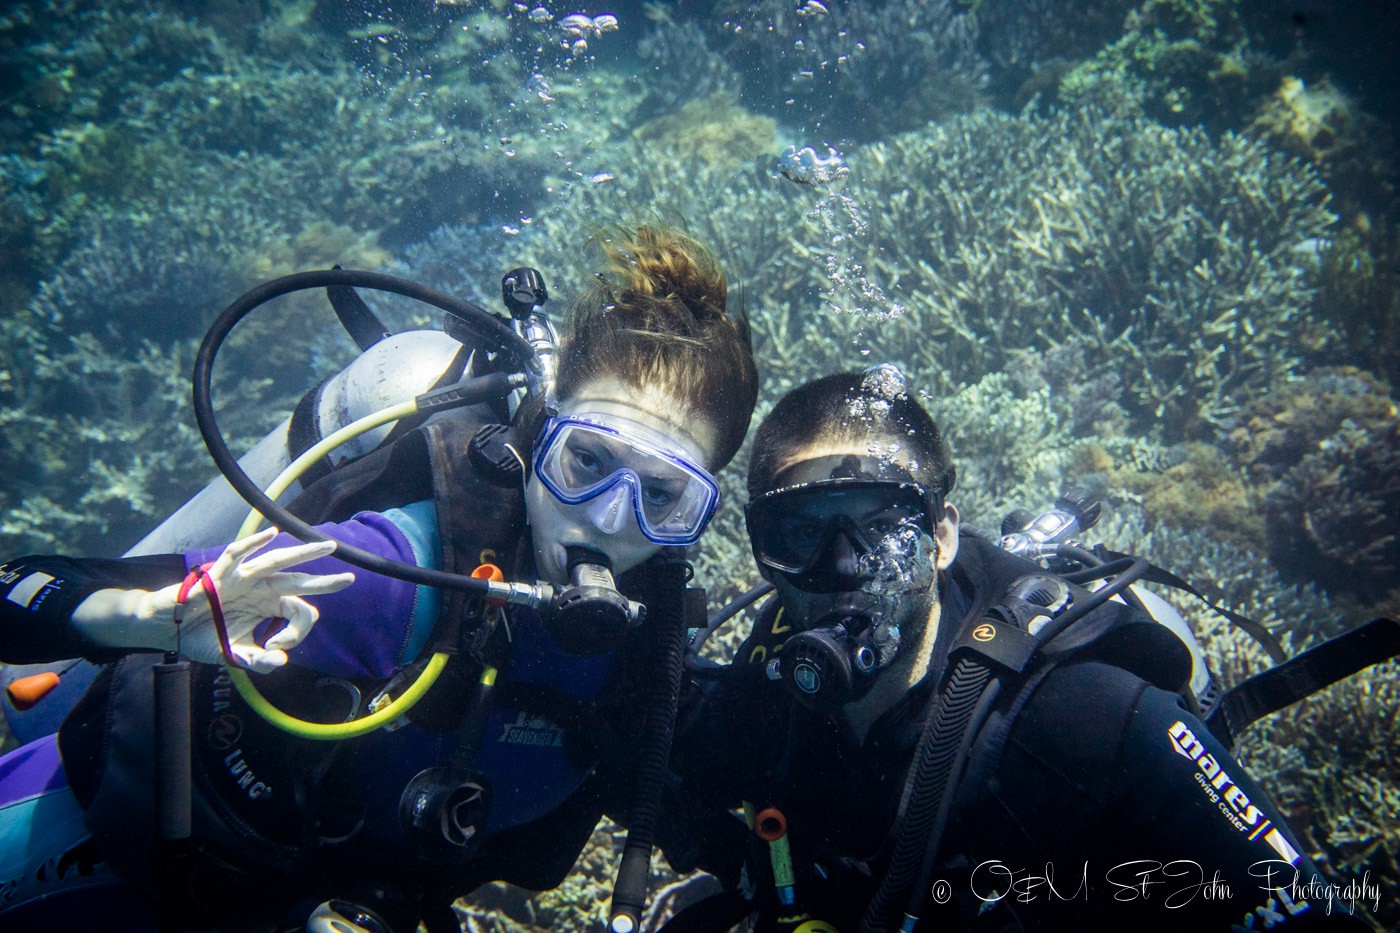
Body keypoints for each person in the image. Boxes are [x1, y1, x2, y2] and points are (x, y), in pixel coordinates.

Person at [0, 223, 760, 932]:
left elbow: (691, 794)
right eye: (586, 462)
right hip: (94, 847)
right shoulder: (397, 579)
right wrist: (142, 617)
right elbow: (20, 588)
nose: (608, 519)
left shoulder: (647, 660)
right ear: (539, 436)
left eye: (661, 495)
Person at [660, 367, 1369, 932]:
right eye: (797, 535)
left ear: (941, 537)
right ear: (763, 553)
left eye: (880, 531)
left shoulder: (1087, 719)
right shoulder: (759, 700)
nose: (843, 570)